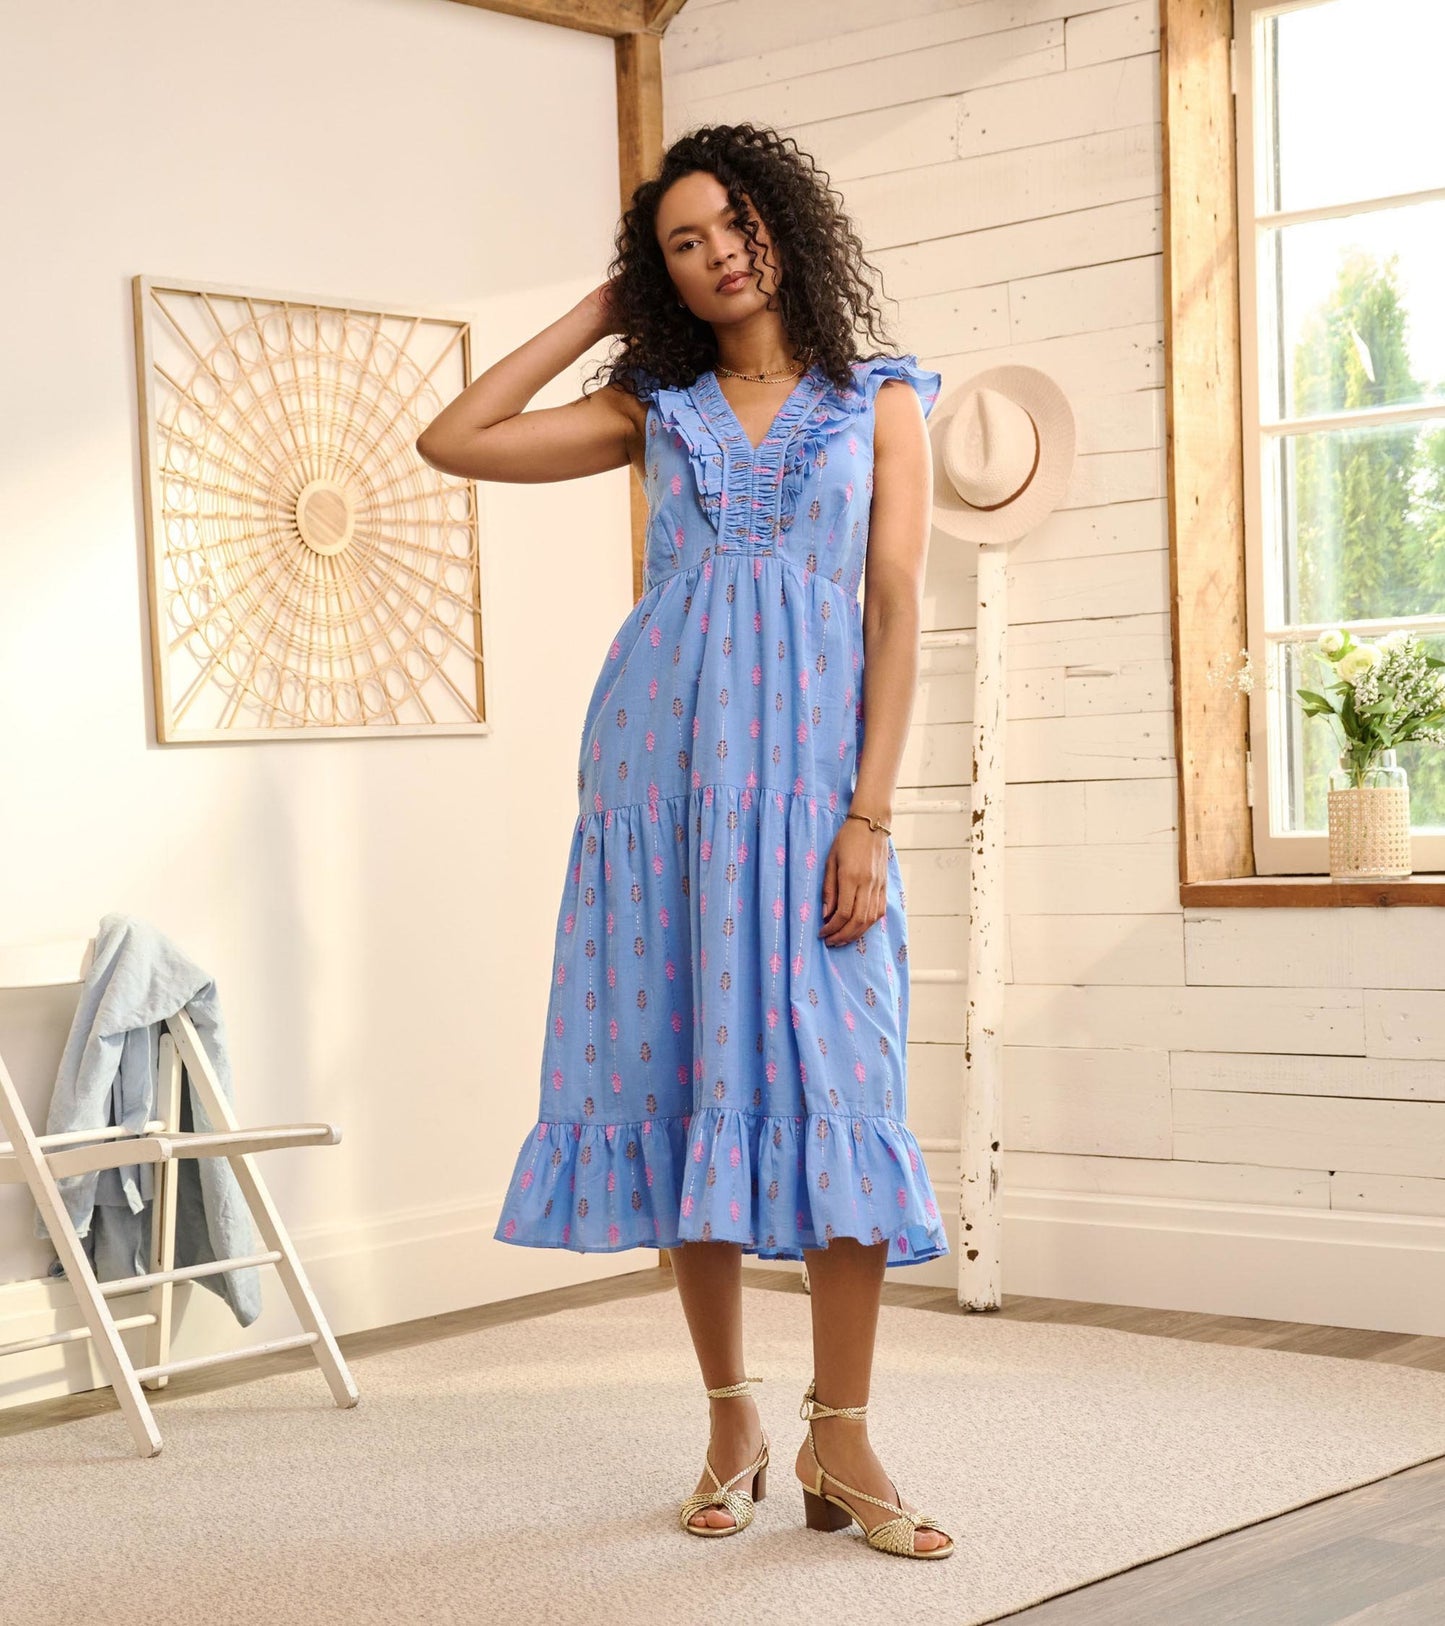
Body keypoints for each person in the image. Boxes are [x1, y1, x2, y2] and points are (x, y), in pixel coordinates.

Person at [416, 122, 954, 1561]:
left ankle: (841, 1431)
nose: (717, 253)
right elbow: (454, 437)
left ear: (783, 223)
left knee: (844, 1082)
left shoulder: (878, 400)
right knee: (680, 1075)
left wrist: (870, 810)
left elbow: (893, 603)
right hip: (660, 786)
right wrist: (605, 305)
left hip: (817, 796)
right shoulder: (653, 407)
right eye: (679, 243)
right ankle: (730, 1418)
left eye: (732, 224)